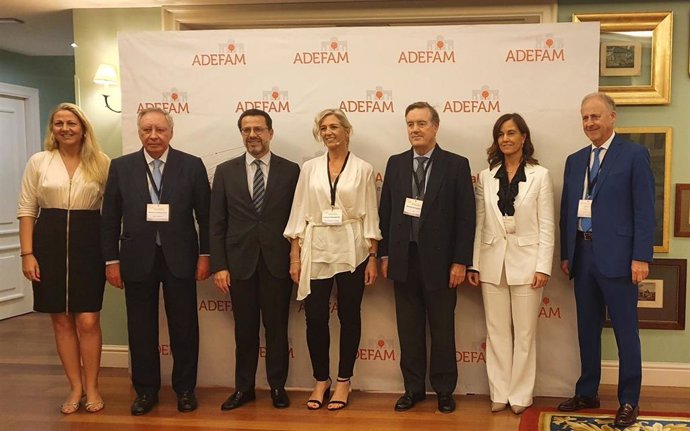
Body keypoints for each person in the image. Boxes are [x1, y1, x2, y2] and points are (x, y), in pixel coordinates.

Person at [101, 107, 211, 416]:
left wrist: (206, 255)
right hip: (136, 259)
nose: (153, 135)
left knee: (185, 327)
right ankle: (146, 390)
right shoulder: (121, 167)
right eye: (147, 129)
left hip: (181, 258)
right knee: (140, 328)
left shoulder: (191, 165)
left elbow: (205, 215)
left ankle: (185, 389)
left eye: (160, 129)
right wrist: (111, 260)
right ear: (138, 133)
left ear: (170, 132)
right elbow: (110, 218)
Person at [558, 92, 655, 427]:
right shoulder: (575, 160)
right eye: (585, 117)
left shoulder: (634, 155)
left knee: (626, 333)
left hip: (620, 259)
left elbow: (645, 211)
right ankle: (587, 392)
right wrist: (566, 253)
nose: (590, 123)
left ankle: (629, 400)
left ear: (612, 117)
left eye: (596, 116)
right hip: (582, 256)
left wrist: (641, 256)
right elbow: (567, 210)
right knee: (587, 330)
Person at [378, 101, 475, 414]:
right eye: (410, 124)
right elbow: (387, 212)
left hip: (443, 263)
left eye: (421, 123)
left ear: (435, 127)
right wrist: (384, 254)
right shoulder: (395, 163)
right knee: (409, 329)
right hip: (404, 260)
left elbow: (466, 218)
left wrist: (460, 261)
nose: (415, 130)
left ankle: (444, 390)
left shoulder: (456, 164)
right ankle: (413, 389)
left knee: (443, 328)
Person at [283, 108, 381, 411]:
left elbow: (370, 213)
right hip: (317, 246)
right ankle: (321, 380)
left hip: (353, 248)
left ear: (347, 131)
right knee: (315, 317)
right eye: (323, 127)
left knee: (349, 315)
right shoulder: (310, 168)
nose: (329, 132)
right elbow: (299, 211)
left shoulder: (364, 168)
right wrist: (295, 255)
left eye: (334, 126)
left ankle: (343, 381)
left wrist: (373, 256)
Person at [18, 103, 110, 415]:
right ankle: (75, 387)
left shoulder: (101, 162)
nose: (65, 128)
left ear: (84, 128)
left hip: (90, 243)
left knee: (88, 319)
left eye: (72, 123)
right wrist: (27, 253)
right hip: (48, 243)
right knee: (60, 319)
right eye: (59, 123)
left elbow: (111, 213)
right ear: (52, 128)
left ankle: (93, 385)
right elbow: (27, 209)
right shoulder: (39, 161)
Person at [210, 109, 299, 410]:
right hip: (239, 264)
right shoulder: (225, 171)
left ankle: (277, 387)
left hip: (277, 262)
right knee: (245, 330)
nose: (252, 135)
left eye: (258, 129)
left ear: (270, 133)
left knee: (276, 328)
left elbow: (298, 220)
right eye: (246, 130)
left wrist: (296, 259)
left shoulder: (291, 171)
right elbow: (217, 223)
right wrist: (219, 265)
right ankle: (244, 388)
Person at [467, 113, 554, 415]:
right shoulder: (485, 176)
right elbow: (479, 223)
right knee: (497, 332)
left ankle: (520, 394)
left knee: (525, 333)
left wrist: (543, 266)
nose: (505, 139)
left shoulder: (540, 175)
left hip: (528, 264)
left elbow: (547, 225)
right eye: (501, 134)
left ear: (523, 138)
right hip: (492, 262)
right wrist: (474, 263)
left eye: (511, 133)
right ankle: (499, 391)